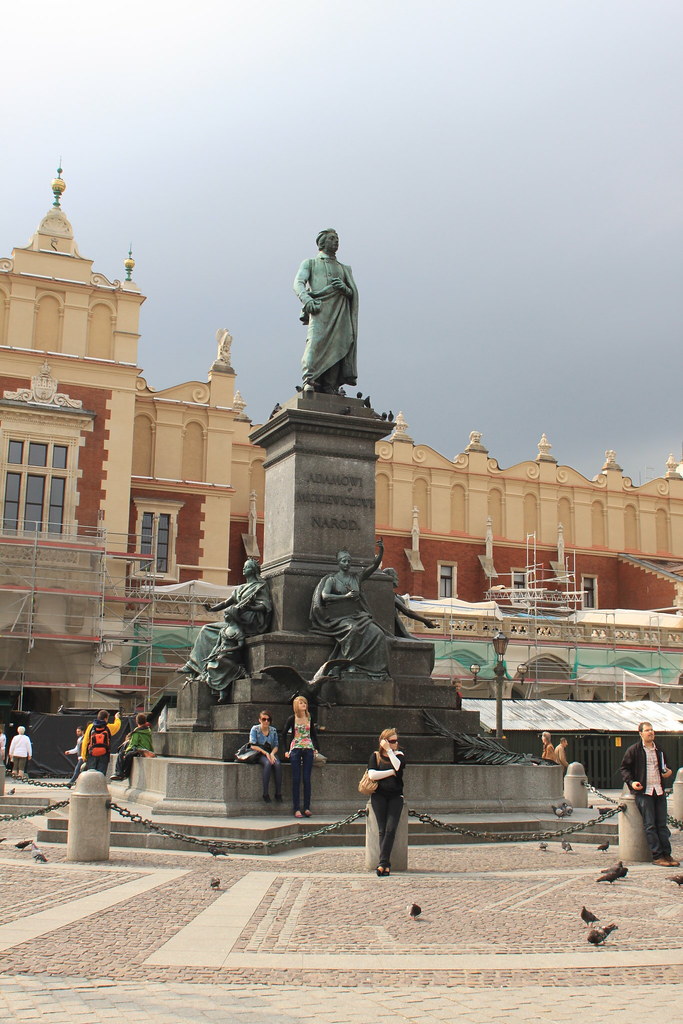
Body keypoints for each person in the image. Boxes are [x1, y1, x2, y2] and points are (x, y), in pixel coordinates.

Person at [181, 559, 272, 702]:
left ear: (253, 570)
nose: (243, 569)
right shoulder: (241, 588)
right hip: (236, 620)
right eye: (243, 566)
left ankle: (206, 670)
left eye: (246, 567)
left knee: (212, 632)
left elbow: (265, 605)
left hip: (249, 622)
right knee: (206, 629)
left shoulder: (260, 586)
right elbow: (226, 603)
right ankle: (194, 666)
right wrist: (211, 609)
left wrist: (249, 608)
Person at [310, 540, 390, 681]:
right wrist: (345, 597)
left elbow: (373, 566)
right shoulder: (332, 580)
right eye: (344, 561)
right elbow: (324, 596)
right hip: (338, 617)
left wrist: (381, 551)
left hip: (356, 615)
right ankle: (350, 664)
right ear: (338, 563)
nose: (347, 564)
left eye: (348, 561)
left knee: (378, 633)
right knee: (353, 630)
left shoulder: (356, 578)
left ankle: (374, 669)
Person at [293, 228, 359, 394]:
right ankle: (309, 379)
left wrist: (345, 289)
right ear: (321, 242)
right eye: (331, 238)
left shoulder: (345, 268)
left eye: (337, 239)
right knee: (314, 344)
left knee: (340, 344)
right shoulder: (310, 263)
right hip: (320, 310)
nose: (336, 241)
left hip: (340, 313)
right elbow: (298, 282)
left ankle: (330, 386)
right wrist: (307, 299)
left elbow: (352, 293)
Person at [620, 721, 679, 867]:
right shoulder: (634, 750)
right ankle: (657, 856)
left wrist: (669, 772)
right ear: (640, 733)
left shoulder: (659, 750)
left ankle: (667, 854)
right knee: (650, 825)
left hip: (659, 791)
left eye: (652, 730)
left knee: (662, 825)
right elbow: (624, 768)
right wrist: (632, 782)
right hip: (644, 792)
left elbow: (666, 767)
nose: (651, 732)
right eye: (647, 730)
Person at [367, 728, 406, 876]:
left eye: (396, 741)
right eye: (391, 741)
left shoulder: (399, 755)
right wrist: (390, 773)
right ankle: (385, 864)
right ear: (383, 741)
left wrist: (390, 751)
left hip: (396, 796)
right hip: (379, 796)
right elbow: (372, 774)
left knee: (390, 829)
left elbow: (398, 766)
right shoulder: (375, 756)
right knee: (382, 829)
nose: (395, 744)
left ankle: (383, 863)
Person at [283, 696, 320, 818]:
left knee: (306, 778)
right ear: (296, 706)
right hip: (296, 748)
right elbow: (283, 734)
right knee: (296, 778)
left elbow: (313, 734)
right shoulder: (292, 719)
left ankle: (307, 807)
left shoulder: (309, 718)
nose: (303, 704)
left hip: (308, 748)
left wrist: (316, 748)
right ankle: (297, 808)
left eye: (305, 702)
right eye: (301, 703)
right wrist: (286, 750)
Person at [382, 567, 439, 639]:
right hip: (395, 632)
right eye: (395, 575)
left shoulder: (391, 595)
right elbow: (407, 611)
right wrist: (425, 621)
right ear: (389, 578)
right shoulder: (388, 593)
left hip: (394, 630)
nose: (397, 579)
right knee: (421, 644)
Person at [249, 710, 283, 803]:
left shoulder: (273, 730)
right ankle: (265, 793)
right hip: (259, 753)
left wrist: (272, 753)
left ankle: (278, 793)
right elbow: (252, 745)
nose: (266, 722)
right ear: (260, 720)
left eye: (268, 720)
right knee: (267, 764)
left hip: (270, 752)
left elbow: (276, 745)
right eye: (264, 719)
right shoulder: (255, 729)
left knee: (277, 764)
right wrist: (265, 753)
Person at [111, 713, 155, 781]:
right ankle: (120, 773)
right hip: (147, 749)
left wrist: (126, 752)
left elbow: (133, 744)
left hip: (140, 750)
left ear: (136, 722)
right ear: (145, 721)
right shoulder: (147, 731)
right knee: (127, 754)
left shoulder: (137, 732)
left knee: (123, 754)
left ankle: (120, 773)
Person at [81, 710, 122, 775]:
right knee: (101, 774)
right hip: (104, 754)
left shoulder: (91, 727)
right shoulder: (108, 727)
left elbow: (85, 742)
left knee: (91, 774)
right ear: (106, 718)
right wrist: (117, 718)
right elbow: (117, 726)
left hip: (92, 754)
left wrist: (84, 756)